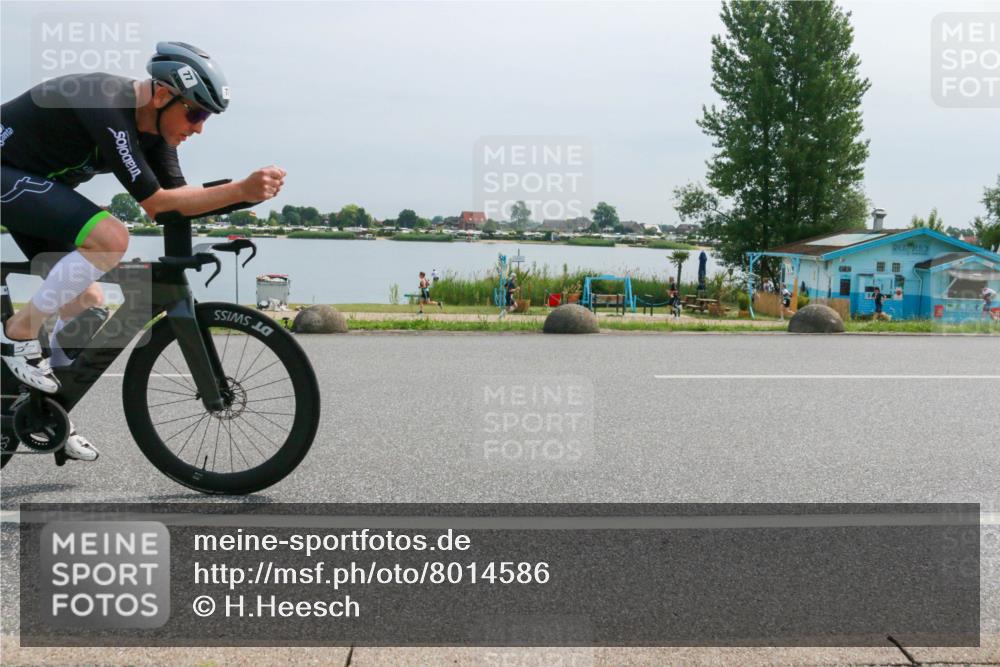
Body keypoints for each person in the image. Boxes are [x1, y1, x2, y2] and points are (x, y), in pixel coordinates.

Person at [0, 42, 285, 461]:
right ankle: (19, 334)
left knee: (86, 302)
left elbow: (176, 204)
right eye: (195, 113)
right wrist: (239, 189)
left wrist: (245, 199)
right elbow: (156, 203)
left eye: (204, 117)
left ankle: (42, 411)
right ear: (162, 95)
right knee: (111, 238)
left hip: (30, 184)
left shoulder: (156, 135)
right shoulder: (108, 107)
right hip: (9, 175)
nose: (199, 127)